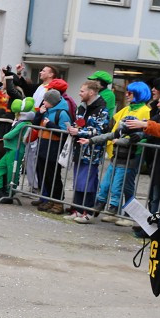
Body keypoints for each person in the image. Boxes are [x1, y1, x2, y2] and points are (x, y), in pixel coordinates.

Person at [87, 81, 152, 222]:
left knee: (125, 186)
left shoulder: (146, 111)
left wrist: (128, 140)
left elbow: (147, 133)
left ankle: (129, 216)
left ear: (138, 94)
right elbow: (115, 128)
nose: (127, 95)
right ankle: (118, 213)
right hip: (119, 152)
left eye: (130, 93)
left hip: (133, 154)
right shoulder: (127, 109)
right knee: (122, 185)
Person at [65, 79, 110, 222]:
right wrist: (74, 128)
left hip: (92, 152)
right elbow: (79, 122)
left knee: (88, 182)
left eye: (82, 91)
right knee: (78, 181)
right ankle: (77, 210)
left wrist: (79, 132)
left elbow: (100, 130)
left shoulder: (102, 109)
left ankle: (88, 212)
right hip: (79, 148)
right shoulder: (82, 107)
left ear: (91, 92)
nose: (79, 93)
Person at [31, 88, 72, 213]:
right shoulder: (46, 111)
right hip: (43, 145)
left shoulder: (62, 113)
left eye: (46, 101)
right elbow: (35, 125)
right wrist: (39, 114)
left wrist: (50, 125)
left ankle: (58, 202)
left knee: (53, 176)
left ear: (52, 102)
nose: (43, 102)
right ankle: (49, 199)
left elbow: (65, 133)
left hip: (54, 147)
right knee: (44, 175)